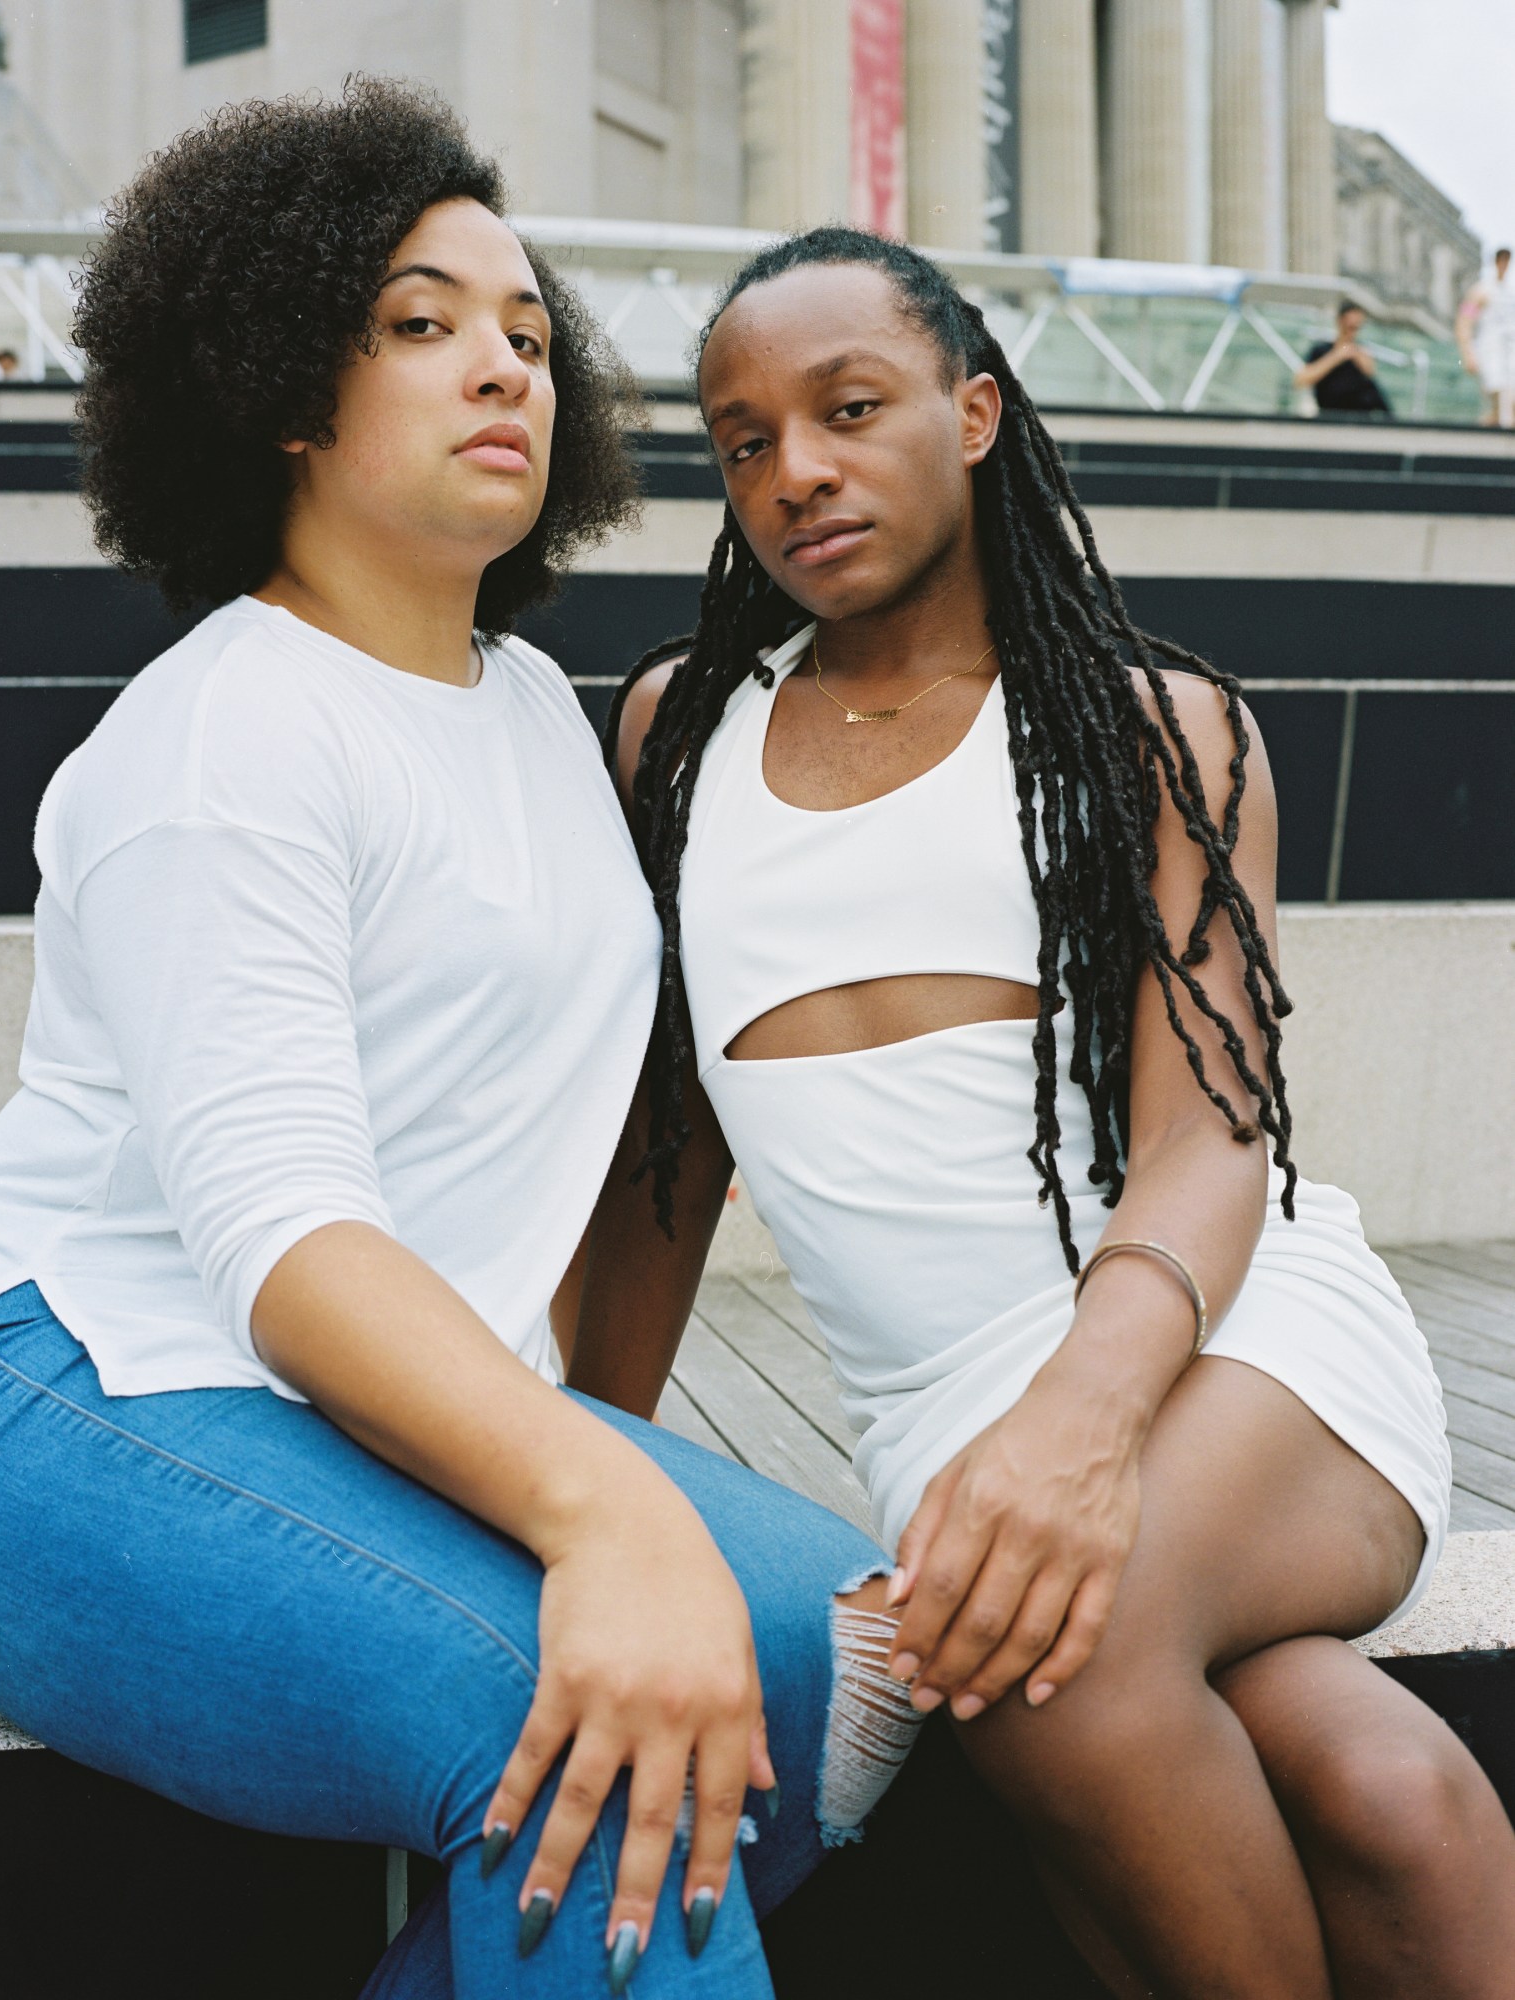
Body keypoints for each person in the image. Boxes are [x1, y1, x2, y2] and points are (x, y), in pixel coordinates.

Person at [0, 91, 915, 2000]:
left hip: (329, 1408)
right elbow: (284, 1240)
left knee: (844, 1657)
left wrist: (601, 1456)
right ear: (275, 386)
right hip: (63, 1397)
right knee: (600, 1745)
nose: (499, 364)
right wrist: (604, 1508)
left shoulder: (526, 706)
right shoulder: (220, 742)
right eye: (419, 323)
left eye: (526, 330)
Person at [573, 227, 1515, 1997]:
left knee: (1057, 1662)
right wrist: (570, 1475)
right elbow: (663, 1162)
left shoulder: (1155, 728)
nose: (797, 472)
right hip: (943, 1419)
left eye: (850, 409)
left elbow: (1207, 1136)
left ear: (977, 411)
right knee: (1382, 1790)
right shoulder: (673, 739)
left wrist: (1084, 1421)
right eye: (744, 440)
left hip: (1238, 1349)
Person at [1293, 299, 1391, 417]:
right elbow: (1301, 379)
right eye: (1350, 326)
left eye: (1357, 327)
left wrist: (1362, 362)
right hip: (1330, 415)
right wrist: (1336, 357)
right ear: (1340, 321)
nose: (1352, 331)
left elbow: (1372, 385)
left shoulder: (1361, 353)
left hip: (1360, 417)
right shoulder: (1322, 350)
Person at [1457, 248, 1515, 429]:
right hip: (1492, 352)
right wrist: (1468, 353)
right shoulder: (1482, 291)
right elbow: (1464, 321)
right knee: (1500, 404)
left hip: (1511, 351)